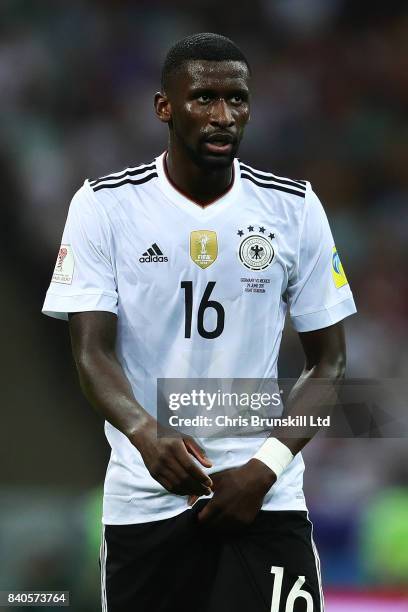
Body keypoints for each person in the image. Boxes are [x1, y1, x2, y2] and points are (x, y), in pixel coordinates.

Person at [42, 32, 356, 612]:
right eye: (203, 99)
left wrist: (264, 470)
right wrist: (146, 433)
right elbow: (91, 354)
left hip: (266, 504)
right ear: (164, 106)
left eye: (237, 100)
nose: (223, 116)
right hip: (146, 503)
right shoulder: (104, 206)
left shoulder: (292, 208)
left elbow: (330, 363)